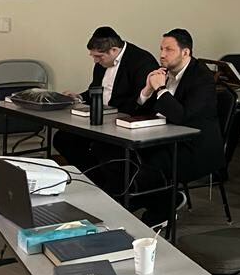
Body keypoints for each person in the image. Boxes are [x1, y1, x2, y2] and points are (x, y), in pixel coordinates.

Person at [133, 29, 223, 225]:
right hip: (164, 137)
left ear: (185, 52)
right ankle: (155, 200)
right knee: (126, 157)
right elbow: (141, 110)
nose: (162, 54)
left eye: (169, 50)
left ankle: (161, 209)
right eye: (161, 49)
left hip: (195, 146)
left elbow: (182, 116)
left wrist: (160, 89)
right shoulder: (163, 72)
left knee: (152, 163)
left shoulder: (202, 77)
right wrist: (147, 90)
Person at [53, 26, 157, 179]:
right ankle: (93, 178)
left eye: (99, 57)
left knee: (103, 148)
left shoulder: (142, 61)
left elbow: (143, 102)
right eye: (93, 56)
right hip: (103, 120)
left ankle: (105, 183)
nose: (96, 61)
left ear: (114, 50)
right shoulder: (102, 63)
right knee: (63, 139)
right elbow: (95, 90)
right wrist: (78, 97)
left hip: (126, 122)